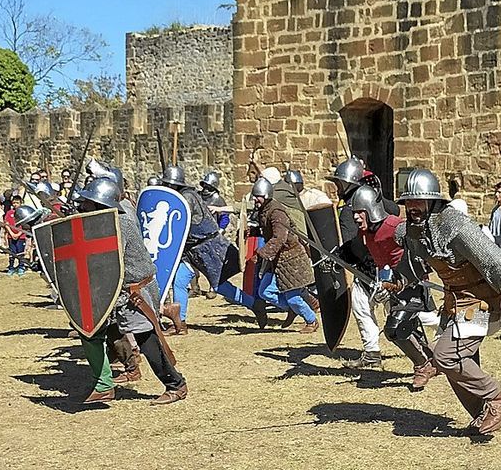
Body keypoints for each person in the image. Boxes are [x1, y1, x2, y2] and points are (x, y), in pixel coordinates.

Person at [396, 168, 501, 435]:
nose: (412, 207)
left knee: (446, 357)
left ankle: (497, 398)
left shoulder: (456, 226)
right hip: (454, 302)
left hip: (479, 302)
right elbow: (414, 264)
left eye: (418, 201)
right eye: (408, 202)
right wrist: (399, 280)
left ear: (433, 202)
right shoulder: (413, 230)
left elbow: (494, 261)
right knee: (459, 366)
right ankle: (481, 415)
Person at [74, 177, 188, 405]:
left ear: (99, 203)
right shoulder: (105, 222)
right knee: (106, 331)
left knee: (146, 339)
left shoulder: (118, 224)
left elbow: (108, 261)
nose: (82, 206)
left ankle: (176, 384)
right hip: (119, 291)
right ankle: (107, 384)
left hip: (135, 291)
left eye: (87, 202)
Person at [158, 165, 267, 333]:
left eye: (168, 184)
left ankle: (254, 304)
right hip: (191, 250)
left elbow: (179, 223)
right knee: (179, 281)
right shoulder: (184, 196)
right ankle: (180, 323)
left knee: (220, 287)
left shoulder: (187, 198)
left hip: (208, 248)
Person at [350, 185, 437, 389]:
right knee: (409, 326)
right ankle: (435, 360)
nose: (356, 218)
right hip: (394, 285)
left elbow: (419, 245)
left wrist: (409, 275)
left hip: (413, 283)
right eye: (354, 213)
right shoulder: (367, 234)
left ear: (371, 210)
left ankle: (422, 366)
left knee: (395, 329)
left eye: (359, 213)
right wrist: (383, 283)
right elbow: (383, 263)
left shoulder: (394, 226)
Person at [326, 158, 400, 369]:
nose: (338, 188)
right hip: (365, 266)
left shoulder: (364, 201)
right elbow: (357, 242)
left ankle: (433, 341)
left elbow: (391, 211)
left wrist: (345, 254)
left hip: (382, 267)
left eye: (340, 183)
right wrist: (342, 255)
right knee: (361, 305)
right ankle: (371, 352)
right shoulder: (354, 203)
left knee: (403, 309)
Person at [252, 178, 319, 333]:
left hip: (291, 259)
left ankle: (311, 320)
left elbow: (279, 237)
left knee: (292, 297)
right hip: (277, 260)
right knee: (265, 291)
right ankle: (299, 305)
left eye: (258, 196)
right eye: (254, 196)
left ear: (266, 195)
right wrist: (253, 232)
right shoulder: (264, 210)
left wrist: (262, 253)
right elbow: (268, 232)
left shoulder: (276, 212)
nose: (255, 199)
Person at [4, 195, 27, 276]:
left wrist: (18, 234)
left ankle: (21, 266)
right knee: (12, 252)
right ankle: (11, 267)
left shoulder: (23, 213)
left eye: (17, 203)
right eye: (13, 203)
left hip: (21, 237)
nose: (15, 204)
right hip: (11, 236)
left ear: (21, 203)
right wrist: (11, 233)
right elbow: (6, 224)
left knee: (20, 252)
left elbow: (25, 225)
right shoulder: (9, 212)